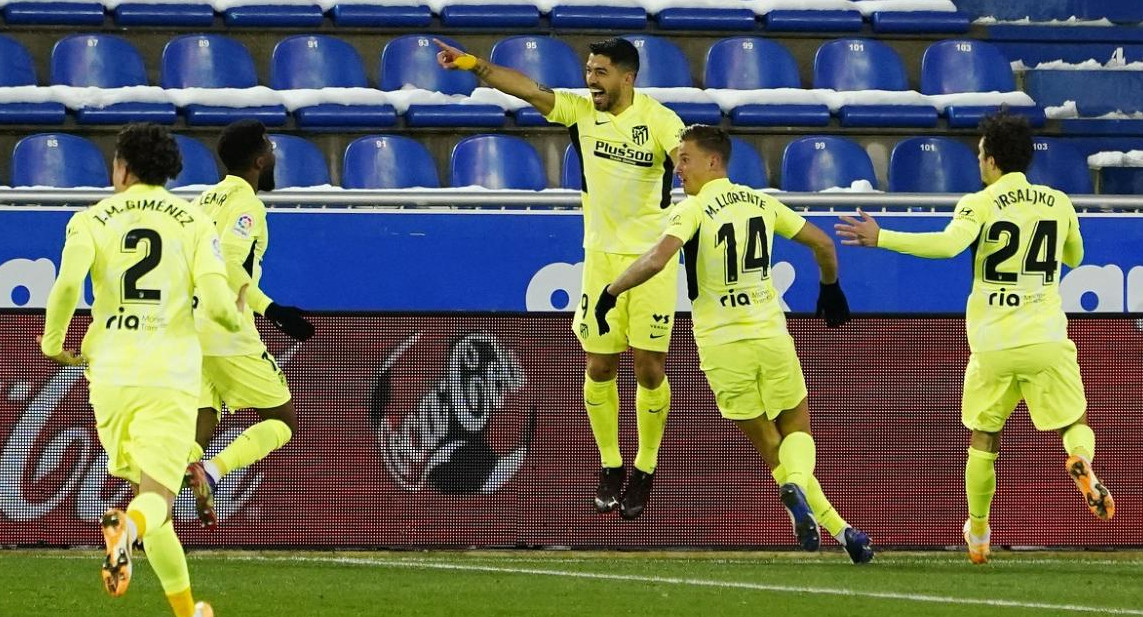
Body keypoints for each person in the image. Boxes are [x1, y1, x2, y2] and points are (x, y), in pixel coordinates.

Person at [835, 112, 1114, 565]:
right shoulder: (1057, 201)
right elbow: (1076, 255)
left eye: (981, 152)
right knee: (1073, 421)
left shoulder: (980, 203)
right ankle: (1082, 461)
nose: (978, 158)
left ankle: (979, 533)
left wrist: (880, 236)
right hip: (1046, 337)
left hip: (993, 343)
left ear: (992, 160)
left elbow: (947, 246)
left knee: (984, 437)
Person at [597, 125, 874, 562]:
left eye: (685, 159)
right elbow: (822, 243)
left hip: (721, 344)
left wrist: (610, 292)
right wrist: (830, 288)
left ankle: (837, 527)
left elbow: (657, 259)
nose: (677, 168)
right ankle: (842, 530)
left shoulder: (690, 210)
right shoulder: (759, 201)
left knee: (772, 446)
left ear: (713, 161)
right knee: (797, 432)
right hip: (769, 333)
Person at [436, 37, 685, 518]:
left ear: (627, 78)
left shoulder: (659, 119)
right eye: (589, 70)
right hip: (600, 260)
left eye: (601, 72)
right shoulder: (579, 112)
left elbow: (684, 156)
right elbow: (528, 89)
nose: (591, 80)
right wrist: (474, 64)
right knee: (599, 367)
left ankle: (646, 468)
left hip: (653, 261)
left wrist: (690, 181)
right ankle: (610, 465)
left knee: (650, 368)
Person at [39, 123, 240, 616]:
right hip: (169, 376)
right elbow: (215, 306)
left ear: (124, 167)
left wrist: (51, 343)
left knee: (152, 504)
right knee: (155, 500)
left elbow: (67, 288)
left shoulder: (90, 219)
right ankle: (124, 531)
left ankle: (188, 609)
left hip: (108, 375)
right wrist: (235, 312)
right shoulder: (194, 223)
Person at [183, 120, 315, 527]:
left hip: (187, 328)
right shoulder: (247, 206)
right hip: (225, 328)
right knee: (281, 422)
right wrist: (271, 309)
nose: (274, 155)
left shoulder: (200, 201)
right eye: (270, 149)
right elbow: (229, 267)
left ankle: (145, 519)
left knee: (199, 429)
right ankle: (215, 472)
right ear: (260, 161)